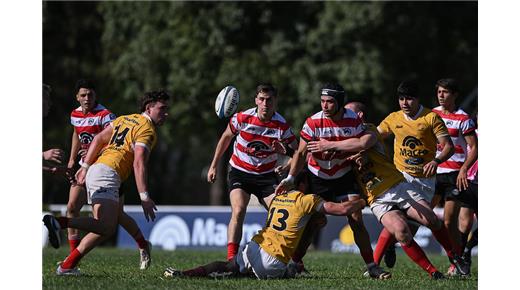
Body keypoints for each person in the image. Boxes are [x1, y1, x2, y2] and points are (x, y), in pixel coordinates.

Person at [308, 101, 470, 279]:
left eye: (348, 114)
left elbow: (362, 145)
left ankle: (454, 256)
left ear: (359, 116)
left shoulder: (369, 131)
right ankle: (434, 273)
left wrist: (334, 147)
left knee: (431, 219)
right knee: (401, 231)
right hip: (376, 198)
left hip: (396, 185)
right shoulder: (340, 138)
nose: (343, 118)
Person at [42, 89, 170, 276]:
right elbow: (139, 162)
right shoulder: (148, 130)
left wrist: (85, 166)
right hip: (107, 174)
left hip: (100, 169)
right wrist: (144, 196)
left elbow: (99, 138)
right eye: (162, 108)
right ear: (149, 108)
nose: (166, 113)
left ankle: (68, 265)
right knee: (104, 226)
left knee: (112, 220)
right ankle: (59, 224)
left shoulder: (125, 118)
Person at [275, 83, 390, 279]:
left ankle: (371, 266)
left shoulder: (352, 120)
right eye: (322, 101)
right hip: (318, 177)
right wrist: (291, 177)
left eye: (330, 102)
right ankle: (295, 263)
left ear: (340, 103)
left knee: (356, 218)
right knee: (313, 222)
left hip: (344, 176)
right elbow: (301, 153)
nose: (325, 106)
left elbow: (363, 144)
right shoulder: (312, 122)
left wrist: (345, 150)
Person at [164, 176, 367, 279]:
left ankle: (187, 273)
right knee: (292, 268)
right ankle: (290, 266)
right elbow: (341, 209)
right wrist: (362, 201)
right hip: (273, 260)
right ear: (304, 185)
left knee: (228, 267)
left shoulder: (278, 198)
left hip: (255, 246)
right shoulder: (307, 200)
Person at [62, 79, 153, 270]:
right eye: (83, 95)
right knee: (72, 207)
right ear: (77, 97)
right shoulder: (75, 114)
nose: (87, 98)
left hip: (106, 168)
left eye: (91, 95)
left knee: (112, 219)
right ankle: (71, 259)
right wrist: (72, 159)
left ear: (96, 96)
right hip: (85, 167)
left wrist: (95, 154)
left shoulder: (106, 115)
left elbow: (115, 141)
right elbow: (76, 134)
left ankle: (143, 244)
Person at [207, 84, 298, 261]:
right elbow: (225, 138)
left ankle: (288, 258)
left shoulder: (281, 126)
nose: (265, 104)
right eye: (262, 99)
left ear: (275, 101)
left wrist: (285, 156)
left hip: (266, 176)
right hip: (240, 172)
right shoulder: (242, 118)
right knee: (239, 210)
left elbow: (299, 153)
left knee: (282, 213)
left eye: (269, 100)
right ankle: (231, 259)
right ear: (256, 100)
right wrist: (214, 165)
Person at [372, 80, 455, 268]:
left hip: (425, 180)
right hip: (399, 177)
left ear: (417, 99)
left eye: (409, 99)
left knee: (421, 224)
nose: (404, 103)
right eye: (401, 99)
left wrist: (436, 161)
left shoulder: (431, 118)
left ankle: (453, 258)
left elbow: (448, 147)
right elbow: (374, 137)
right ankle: (373, 266)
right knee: (397, 218)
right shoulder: (393, 118)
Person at [431, 78, 478, 276]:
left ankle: (456, 263)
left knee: (450, 222)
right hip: (432, 174)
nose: (441, 95)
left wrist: (463, 169)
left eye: (446, 92)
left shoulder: (464, 118)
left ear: (455, 95)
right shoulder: (432, 114)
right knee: (419, 215)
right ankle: (388, 249)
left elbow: (474, 147)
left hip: (453, 176)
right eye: (439, 91)